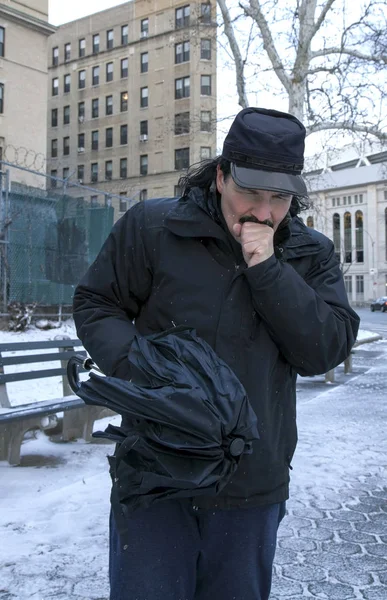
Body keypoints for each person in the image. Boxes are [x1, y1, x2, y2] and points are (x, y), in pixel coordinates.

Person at [73, 107, 359, 600]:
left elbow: (325, 348)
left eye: (280, 199)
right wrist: (144, 371)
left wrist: (268, 270)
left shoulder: (311, 253)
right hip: (156, 473)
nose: (263, 213)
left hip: (253, 479)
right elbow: (97, 302)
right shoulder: (153, 228)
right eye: (250, 192)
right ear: (222, 176)